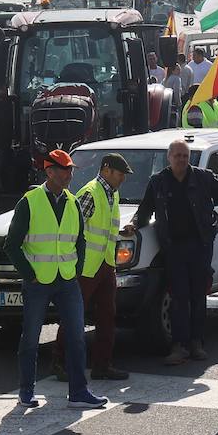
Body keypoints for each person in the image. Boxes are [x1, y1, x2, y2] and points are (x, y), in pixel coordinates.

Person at [4, 150, 108, 410]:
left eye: (71, 169)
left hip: (67, 280)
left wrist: (76, 269)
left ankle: (79, 392)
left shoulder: (73, 202)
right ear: (49, 172)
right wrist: (30, 275)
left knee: (76, 336)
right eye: (64, 170)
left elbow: (80, 240)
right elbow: (12, 245)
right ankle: (26, 391)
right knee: (30, 337)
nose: (69, 174)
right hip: (39, 282)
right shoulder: (30, 201)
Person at [129, 139, 218, 364]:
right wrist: (134, 225)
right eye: (177, 155)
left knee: (198, 296)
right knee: (179, 297)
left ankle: (196, 343)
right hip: (173, 248)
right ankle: (179, 346)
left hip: (200, 246)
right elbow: (145, 211)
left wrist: (216, 221)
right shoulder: (158, 182)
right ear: (169, 157)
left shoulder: (203, 177)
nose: (181, 160)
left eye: (185, 156)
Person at [54, 154, 134, 381]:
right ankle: (59, 361)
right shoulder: (90, 192)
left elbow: (102, 228)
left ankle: (102, 365)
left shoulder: (112, 194)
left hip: (106, 263)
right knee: (74, 315)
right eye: (120, 174)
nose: (122, 179)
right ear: (106, 170)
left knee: (107, 316)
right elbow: (74, 228)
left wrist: (121, 233)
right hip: (86, 267)